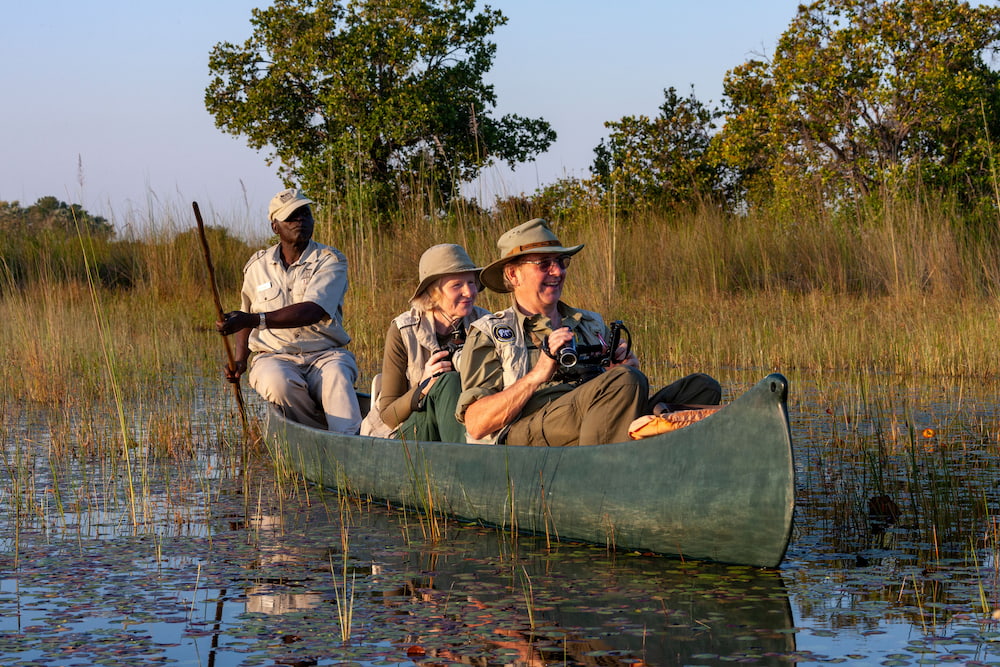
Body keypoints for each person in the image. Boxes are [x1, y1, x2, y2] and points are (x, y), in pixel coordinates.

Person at [455, 218, 720, 446]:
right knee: (626, 380)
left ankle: (670, 465)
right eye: (544, 264)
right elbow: (477, 424)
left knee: (702, 388)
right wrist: (538, 374)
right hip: (526, 434)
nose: (557, 271)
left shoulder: (590, 323)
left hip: (594, 420)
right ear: (513, 275)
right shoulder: (490, 333)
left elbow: (618, 386)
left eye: (562, 261)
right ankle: (603, 475)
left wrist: (626, 368)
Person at [216, 188, 361, 433]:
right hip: (274, 355)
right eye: (292, 217)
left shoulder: (329, 260)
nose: (300, 221)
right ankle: (321, 433)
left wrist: (254, 318)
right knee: (278, 383)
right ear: (275, 227)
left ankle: (346, 443)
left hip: (324, 353)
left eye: (305, 214)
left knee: (337, 376)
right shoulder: (257, 266)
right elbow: (245, 317)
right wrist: (240, 360)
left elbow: (312, 311)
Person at [361, 244, 489, 441]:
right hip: (409, 432)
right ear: (433, 292)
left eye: (471, 283)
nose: (469, 292)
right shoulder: (404, 330)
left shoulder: (485, 324)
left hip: (469, 426)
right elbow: (388, 416)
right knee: (448, 382)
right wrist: (423, 386)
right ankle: (465, 464)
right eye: (457, 285)